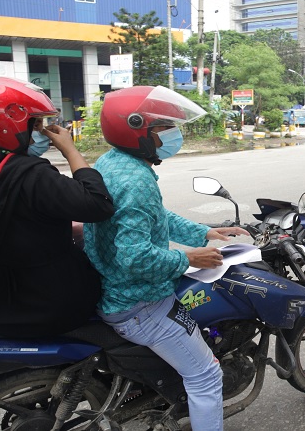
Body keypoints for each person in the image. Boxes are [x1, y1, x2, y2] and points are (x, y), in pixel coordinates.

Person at [83, 85, 248, 431]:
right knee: (205, 375)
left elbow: (155, 216)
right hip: (139, 304)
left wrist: (204, 233)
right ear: (137, 130)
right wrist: (190, 260)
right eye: (164, 127)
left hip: (115, 290)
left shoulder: (113, 162)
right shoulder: (136, 179)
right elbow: (134, 256)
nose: (174, 133)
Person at [0, 76, 114, 338]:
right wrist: (71, 151)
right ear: (6, 125)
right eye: (35, 125)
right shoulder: (30, 174)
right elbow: (98, 205)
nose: (42, 132)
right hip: (45, 307)